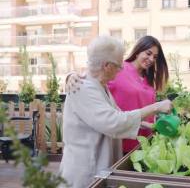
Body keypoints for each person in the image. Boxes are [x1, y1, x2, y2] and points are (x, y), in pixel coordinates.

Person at [58, 36, 172, 188]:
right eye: (119, 66)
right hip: (85, 171)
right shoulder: (83, 88)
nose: (121, 69)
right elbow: (114, 122)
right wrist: (155, 107)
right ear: (106, 66)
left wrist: (145, 125)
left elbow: (116, 113)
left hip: (100, 165)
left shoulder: (101, 87)